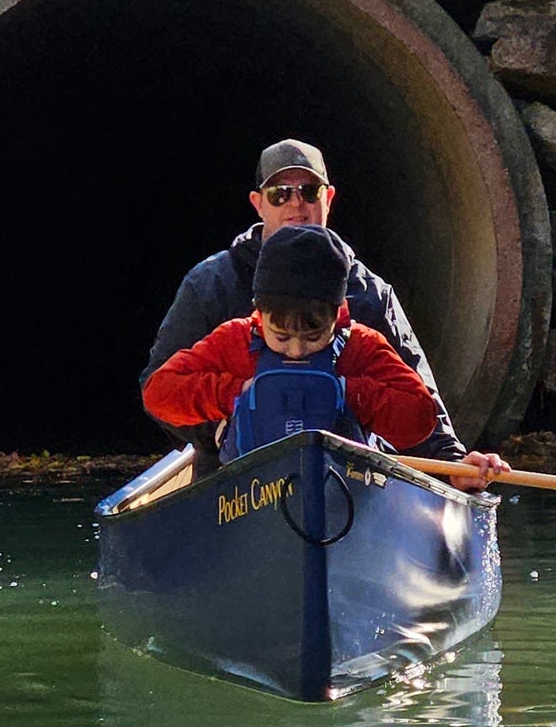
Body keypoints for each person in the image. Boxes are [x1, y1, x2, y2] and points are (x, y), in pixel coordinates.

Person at [140, 137, 508, 485]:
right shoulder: (213, 288)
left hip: (351, 478)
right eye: (280, 194)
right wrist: (233, 412)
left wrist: (452, 463)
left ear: (340, 314)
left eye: (309, 191)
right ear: (259, 203)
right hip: (235, 477)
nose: (296, 203)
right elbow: (158, 389)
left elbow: (420, 404)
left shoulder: (370, 301)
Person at [142, 225, 441, 459]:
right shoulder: (235, 339)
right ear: (260, 313)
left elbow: (421, 418)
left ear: (337, 315)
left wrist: (351, 394)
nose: (296, 350)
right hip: (251, 491)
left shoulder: (361, 346)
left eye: (314, 337)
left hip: (345, 486)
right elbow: (158, 393)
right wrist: (235, 393)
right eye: (281, 336)